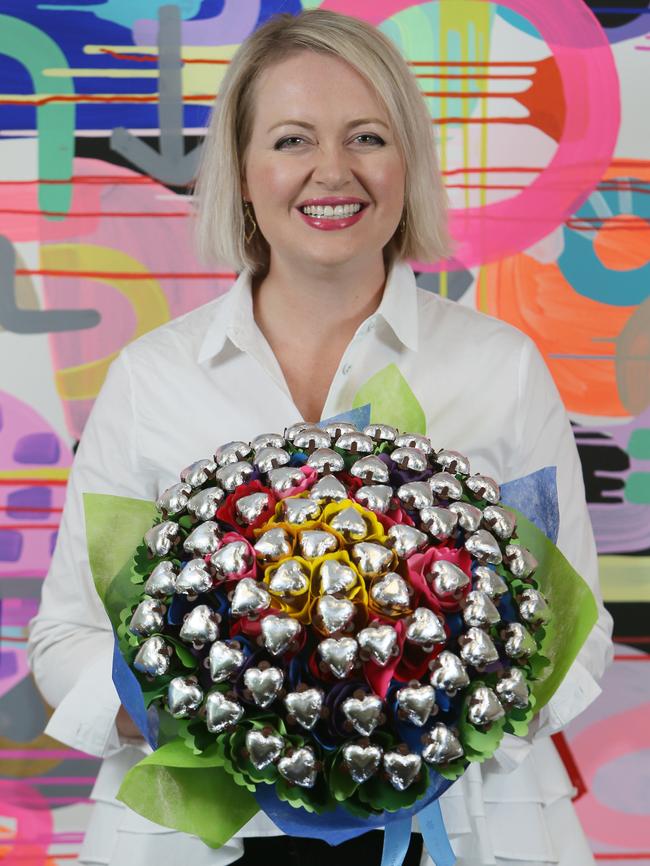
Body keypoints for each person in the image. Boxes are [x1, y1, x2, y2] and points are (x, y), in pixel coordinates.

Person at [28, 9, 613, 866]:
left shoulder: (499, 367)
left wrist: (436, 718)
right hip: (189, 840)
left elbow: (577, 631)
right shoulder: (153, 377)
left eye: (367, 136)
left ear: (408, 159)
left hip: (462, 831)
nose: (331, 172)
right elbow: (65, 639)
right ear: (242, 169)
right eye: (293, 139)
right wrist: (203, 707)